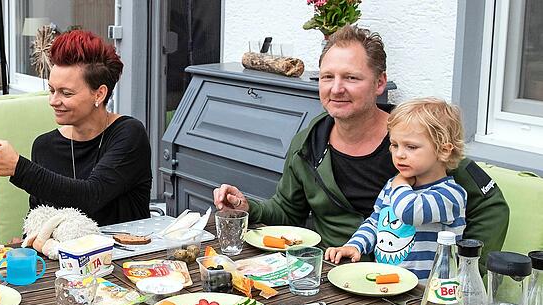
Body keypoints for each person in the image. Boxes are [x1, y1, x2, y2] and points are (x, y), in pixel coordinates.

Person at [212, 26, 508, 271]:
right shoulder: (309, 142)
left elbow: (490, 205)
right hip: (335, 275)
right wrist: (246, 206)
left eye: (351, 77)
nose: (336, 88)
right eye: (328, 77)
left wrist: (463, 271)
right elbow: (288, 211)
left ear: (379, 83)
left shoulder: (415, 140)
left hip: (407, 286)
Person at [0, 30, 152, 226]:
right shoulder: (44, 146)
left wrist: (18, 168)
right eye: (52, 90)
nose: (53, 101)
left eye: (66, 93)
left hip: (126, 254)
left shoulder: (129, 134)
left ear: (99, 94)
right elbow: (38, 217)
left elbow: (91, 196)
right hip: (60, 255)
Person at [325, 98, 467, 281]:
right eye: (394, 145)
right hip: (386, 283)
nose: (399, 154)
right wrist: (355, 246)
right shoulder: (394, 186)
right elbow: (376, 221)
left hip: (425, 295)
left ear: (444, 150)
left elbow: (409, 212)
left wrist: (400, 182)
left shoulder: (450, 194)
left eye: (411, 147)